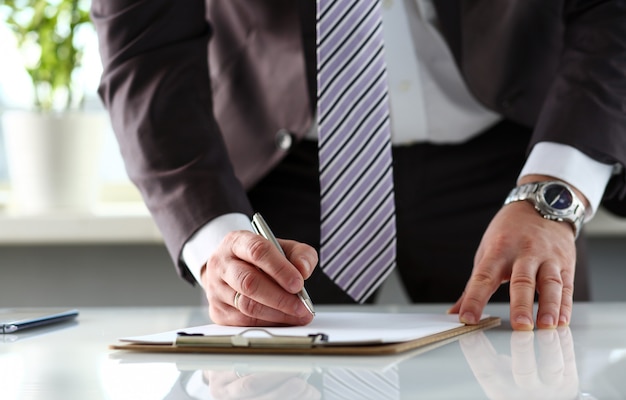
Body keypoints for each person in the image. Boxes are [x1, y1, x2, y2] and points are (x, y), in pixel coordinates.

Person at [90, 0, 626, 330]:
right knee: (265, 387)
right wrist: (215, 240)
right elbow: (145, 49)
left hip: (508, 167)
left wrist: (555, 191)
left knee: (544, 379)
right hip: (280, 178)